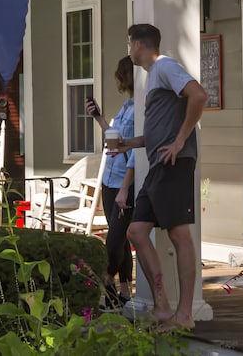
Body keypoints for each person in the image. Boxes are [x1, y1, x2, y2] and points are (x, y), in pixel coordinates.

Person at [112, 23, 208, 331]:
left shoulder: (165, 66)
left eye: (130, 43)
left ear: (139, 45)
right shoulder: (154, 76)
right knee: (136, 231)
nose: (129, 49)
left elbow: (199, 95)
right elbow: (160, 129)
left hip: (174, 164)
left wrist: (179, 141)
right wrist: (131, 143)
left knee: (180, 236)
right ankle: (162, 306)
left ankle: (185, 314)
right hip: (157, 166)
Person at [85, 56, 136, 311]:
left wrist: (125, 188)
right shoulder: (127, 106)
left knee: (114, 240)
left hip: (125, 183)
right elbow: (114, 138)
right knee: (121, 241)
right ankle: (124, 295)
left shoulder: (141, 110)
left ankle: (104, 288)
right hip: (109, 180)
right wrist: (99, 117)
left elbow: (136, 153)